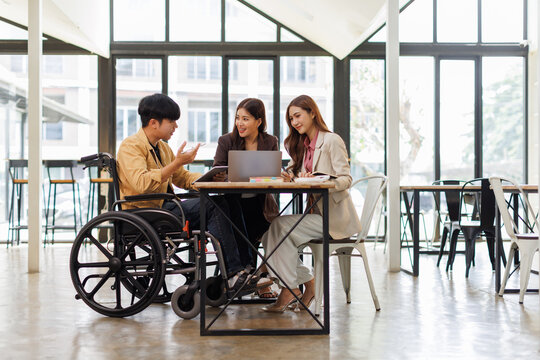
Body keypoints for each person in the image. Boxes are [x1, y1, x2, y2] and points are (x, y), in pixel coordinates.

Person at [116, 93, 263, 292]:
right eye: (172, 122)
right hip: (143, 213)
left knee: (228, 201)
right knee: (213, 206)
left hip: (164, 208)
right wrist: (177, 163)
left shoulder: (163, 149)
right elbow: (141, 183)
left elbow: (182, 178)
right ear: (153, 123)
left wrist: (209, 178)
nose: (175, 127)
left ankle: (245, 269)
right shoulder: (130, 147)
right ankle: (233, 273)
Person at [260, 94, 361, 312]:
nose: (295, 122)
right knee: (271, 234)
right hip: (315, 215)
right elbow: (299, 172)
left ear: (312, 113)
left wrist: (321, 180)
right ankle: (305, 285)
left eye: (298, 116)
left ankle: (290, 288)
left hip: (333, 219)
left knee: (279, 227)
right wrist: (292, 176)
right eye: (291, 119)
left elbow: (346, 179)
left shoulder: (331, 140)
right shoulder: (305, 145)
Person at [213, 98, 279, 298]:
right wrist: (226, 176)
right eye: (237, 118)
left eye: (245, 119)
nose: (239, 123)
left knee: (275, 232)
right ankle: (247, 278)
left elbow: (273, 173)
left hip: (261, 202)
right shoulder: (227, 141)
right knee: (238, 225)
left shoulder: (270, 141)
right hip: (233, 201)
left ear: (259, 121)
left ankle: (258, 277)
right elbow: (218, 170)